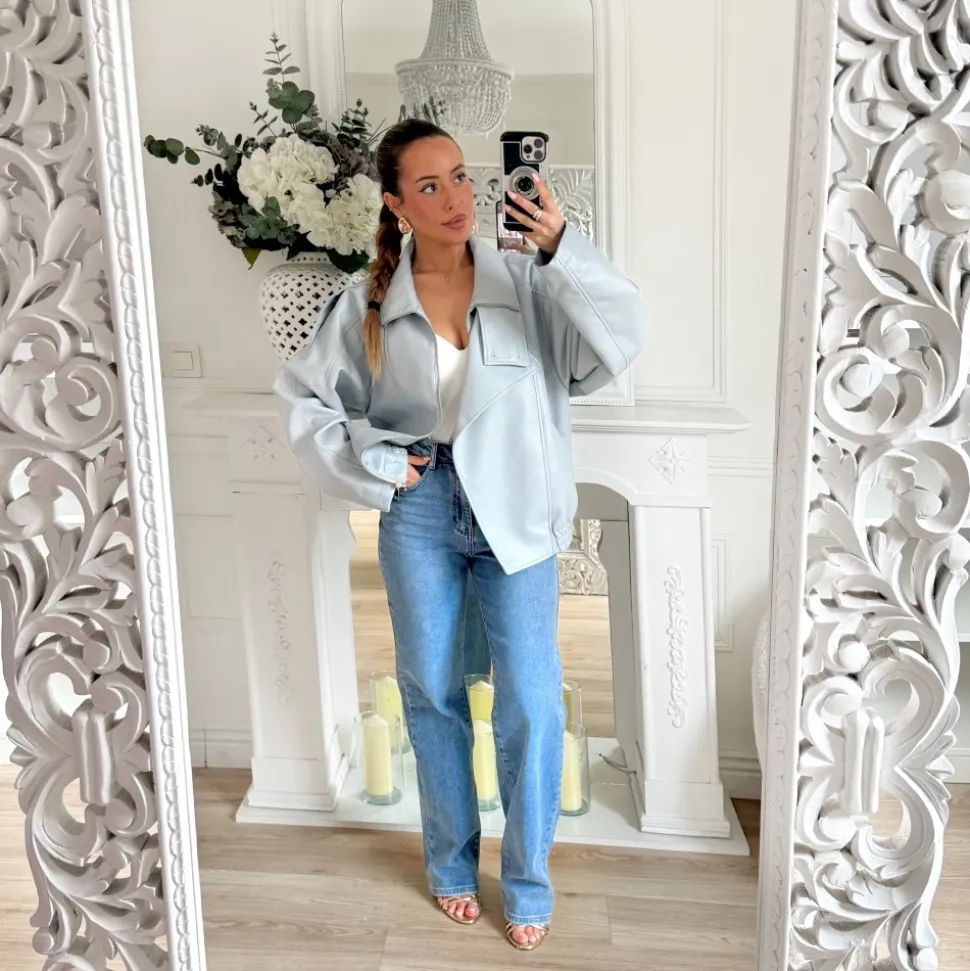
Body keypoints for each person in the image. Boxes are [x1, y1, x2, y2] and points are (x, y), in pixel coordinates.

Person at [274, 118, 648, 951]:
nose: (455, 197)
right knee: (432, 693)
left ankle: (527, 879)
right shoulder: (368, 300)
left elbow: (621, 336)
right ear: (397, 204)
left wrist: (561, 249)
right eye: (430, 185)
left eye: (461, 177)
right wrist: (380, 465)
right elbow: (304, 400)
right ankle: (449, 864)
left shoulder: (526, 277)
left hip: (515, 505)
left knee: (530, 702)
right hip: (420, 509)